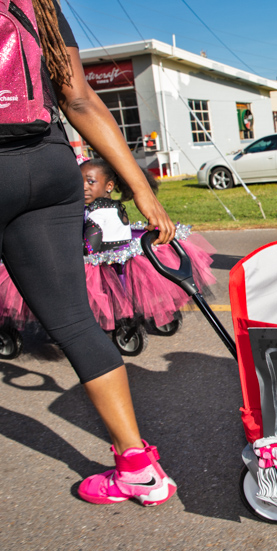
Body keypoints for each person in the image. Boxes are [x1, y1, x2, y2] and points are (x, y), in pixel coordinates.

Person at [0, 0, 176, 506]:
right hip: (51, 165)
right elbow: (78, 100)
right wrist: (140, 188)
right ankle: (138, 468)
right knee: (75, 322)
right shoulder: (39, 5)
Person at [80, 158, 216, 330]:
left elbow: (90, 247)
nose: (84, 186)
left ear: (109, 186)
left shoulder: (95, 215)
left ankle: (120, 323)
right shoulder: (116, 206)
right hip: (125, 255)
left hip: (110, 264)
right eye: (80, 182)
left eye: (90, 182)